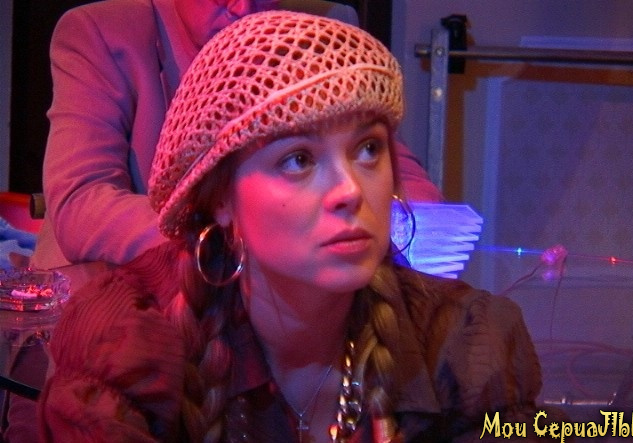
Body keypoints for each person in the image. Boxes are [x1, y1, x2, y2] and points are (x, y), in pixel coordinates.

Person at [38, 11, 540, 442]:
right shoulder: (129, 350)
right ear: (221, 200)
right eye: (299, 159)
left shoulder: (465, 344)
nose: (350, 190)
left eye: (368, 148)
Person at [31, 0, 441, 273]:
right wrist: (234, 244)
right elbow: (82, 200)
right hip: (112, 289)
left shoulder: (315, 30)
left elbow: (408, 185)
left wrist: (393, 228)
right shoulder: (103, 32)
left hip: (273, 310)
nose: (244, 10)